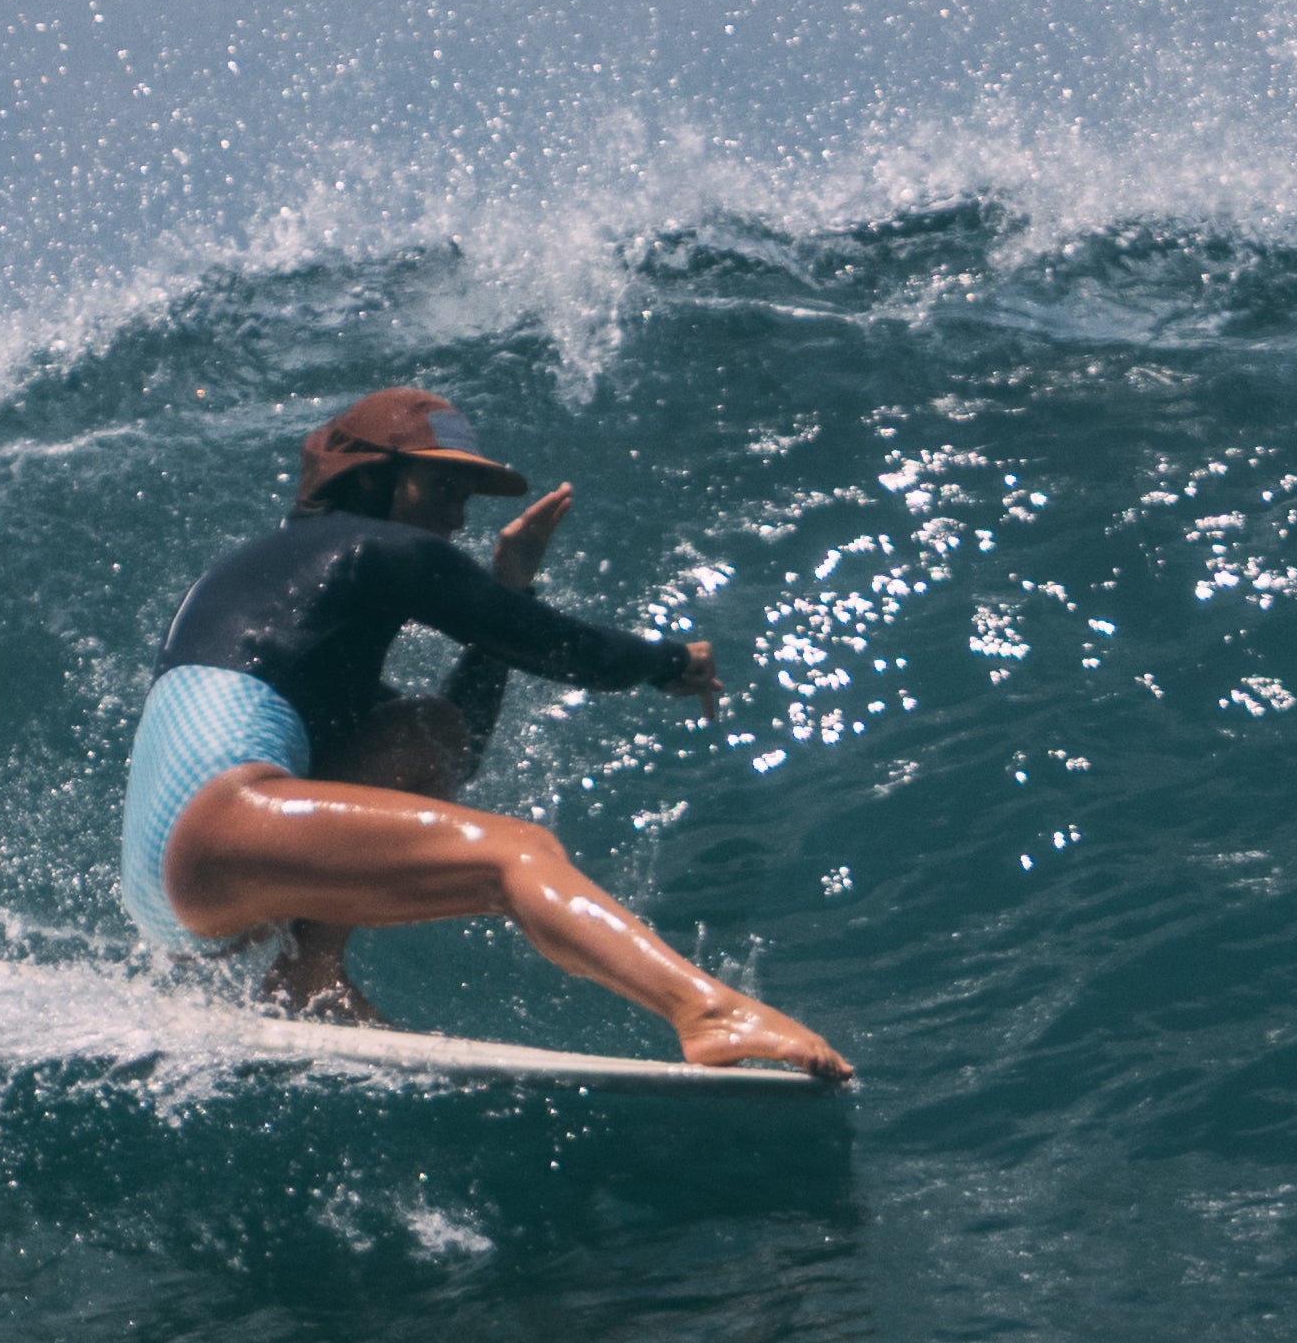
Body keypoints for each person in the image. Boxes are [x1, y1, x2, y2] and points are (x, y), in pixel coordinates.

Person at [120, 388, 853, 1079]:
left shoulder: (278, 594)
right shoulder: (378, 548)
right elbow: (561, 649)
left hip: (175, 873)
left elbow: (455, 749)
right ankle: (707, 1010)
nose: (457, 521)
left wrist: (509, 586)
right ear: (376, 478)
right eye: (441, 491)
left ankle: (308, 974)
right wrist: (672, 662)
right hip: (217, 833)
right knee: (518, 854)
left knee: (422, 730)